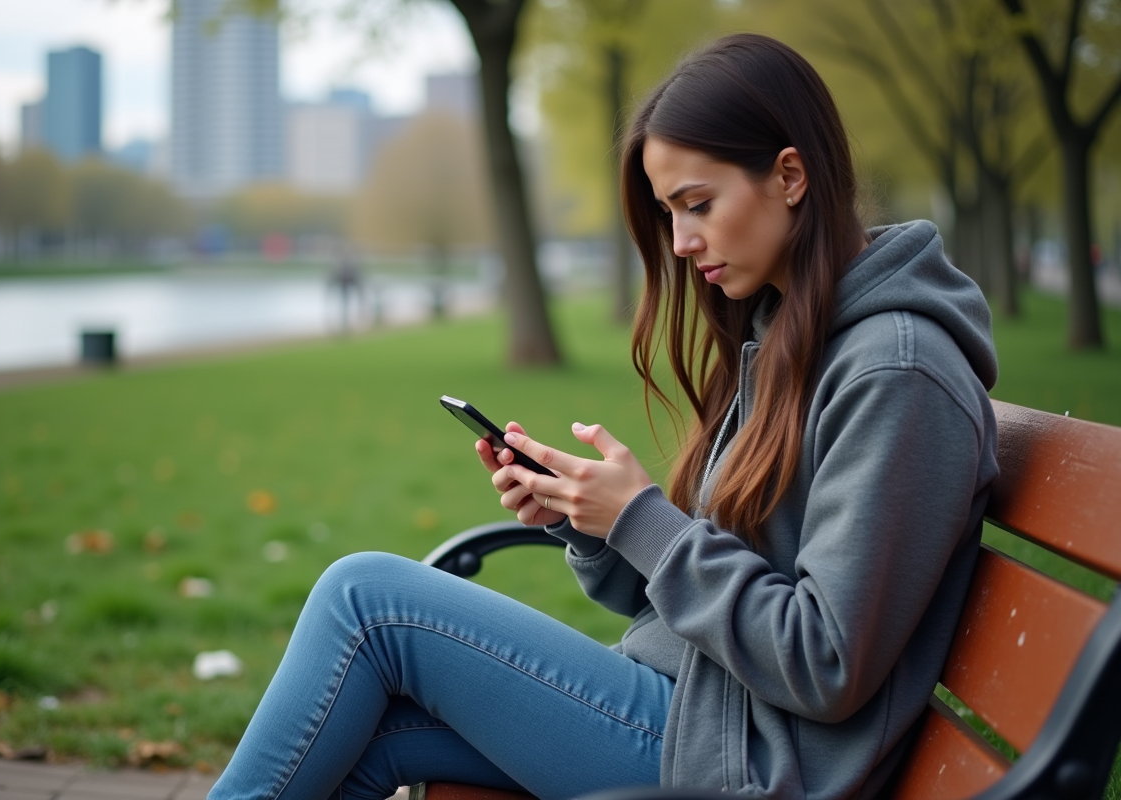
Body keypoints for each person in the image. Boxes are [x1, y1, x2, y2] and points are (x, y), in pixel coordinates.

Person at [209, 33, 998, 800]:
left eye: (698, 205)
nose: (682, 243)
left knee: (366, 600)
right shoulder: (794, 335)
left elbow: (823, 663)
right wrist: (595, 524)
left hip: (744, 761)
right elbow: (701, 598)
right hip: (699, 711)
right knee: (365, 738)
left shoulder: (895, 370)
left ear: (789, 175)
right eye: (668, 214)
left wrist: (645, 519)